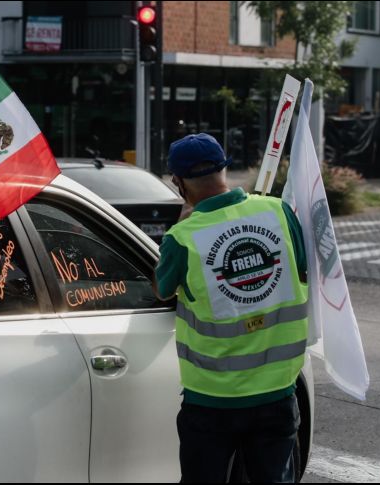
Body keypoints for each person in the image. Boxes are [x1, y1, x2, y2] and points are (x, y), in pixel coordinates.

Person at [154, 133, 308, 483]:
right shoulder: (279, 211)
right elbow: (302, 269)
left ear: (179, 183)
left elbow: (162, 290)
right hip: (277, 393)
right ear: (225, 168)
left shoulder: (183, 237)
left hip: (212, 401)